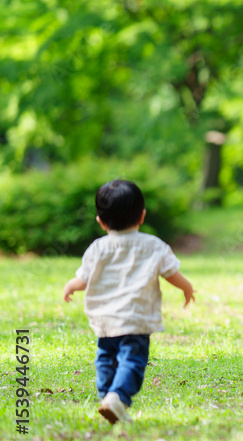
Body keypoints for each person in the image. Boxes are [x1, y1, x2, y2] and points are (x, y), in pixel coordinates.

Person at [63, 180, 195, 425]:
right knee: (132, 360)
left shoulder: (97, 248)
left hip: (105, 320)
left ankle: (108, 398)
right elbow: (171, 273)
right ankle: (117, 398)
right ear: (142, 216)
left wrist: (70, 286)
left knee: (106, 358)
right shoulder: (153, 245)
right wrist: (187, 288)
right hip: (136, 319)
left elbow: (83, 279)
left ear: (101, 222)